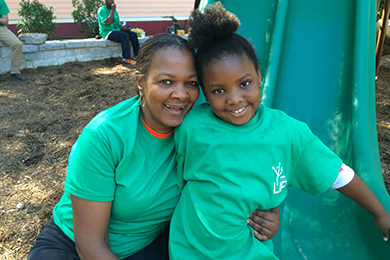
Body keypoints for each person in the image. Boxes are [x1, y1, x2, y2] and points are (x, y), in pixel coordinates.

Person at [27, 33, 280, 260]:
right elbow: (90, 246)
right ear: (141, 82)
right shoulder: (104, 137)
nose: (181, 94)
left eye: (190, 83)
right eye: (166, 82)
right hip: (72, 246)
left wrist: (269, 213)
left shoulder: (204, 130)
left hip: (152, 243)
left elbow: (252, 167)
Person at [168, 2, 390, 259]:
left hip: (250, 253)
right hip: (189, 252)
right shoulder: (192, 126)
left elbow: (338, 174)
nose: (235, 99)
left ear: (259, 77)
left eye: (245, 83)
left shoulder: (287, 132)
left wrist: (381, 212)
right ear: (205, 93)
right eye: (219, 90)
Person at [97, 0, 139, 65]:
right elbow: (108, 22)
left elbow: (118, 25)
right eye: (110, 0)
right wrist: (113, 11)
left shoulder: (115, 12)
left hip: (117, 30)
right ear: (105, 1)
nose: (112, 1)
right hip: (107, 32)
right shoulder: (102, 10)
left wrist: (126, 28)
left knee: (133, 35)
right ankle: (126, 58)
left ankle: (136, 55)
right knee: (124, 35)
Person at [0, 0, 26, 81]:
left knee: (17, 44)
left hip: (1, 28)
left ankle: (15, 72)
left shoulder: (1, 2)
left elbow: (5, 20)